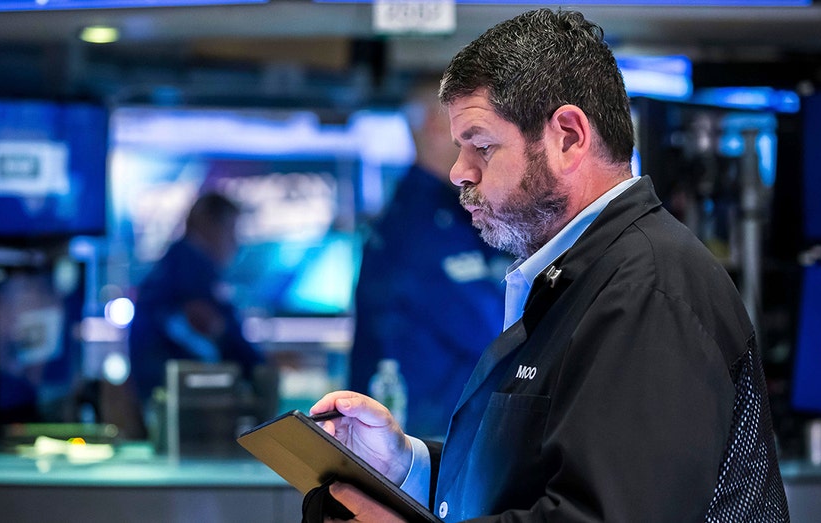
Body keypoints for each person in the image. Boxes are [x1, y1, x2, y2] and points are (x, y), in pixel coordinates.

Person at [309, 8, 789, 522]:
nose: (457, 173)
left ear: (567, 137)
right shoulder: (575, 277)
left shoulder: (648, 288)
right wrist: (408, 466)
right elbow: (530, 476)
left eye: (482, 146)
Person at [348, 77, 510, 439]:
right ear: (439, 128)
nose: (482, 145)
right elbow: (495, 329)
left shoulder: (446, 212)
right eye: (471, 130)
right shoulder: (420, 225)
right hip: (425, 442)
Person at [128, 192, 265, 403]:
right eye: (231, 231)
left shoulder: (173, 268)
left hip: (163, 393)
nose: (236, 244)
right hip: (183, 400)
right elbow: (218, 329)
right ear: (208, 226)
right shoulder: (190, 273)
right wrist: (260, 366)